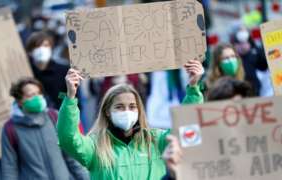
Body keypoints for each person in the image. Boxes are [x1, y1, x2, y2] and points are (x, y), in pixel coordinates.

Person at [57, 59, 204, 179]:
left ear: (139, 110)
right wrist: (70, 97)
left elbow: (186, 125)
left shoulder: (155, 140)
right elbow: (67, 139)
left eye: (132, 106)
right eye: (119, 107)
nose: (127, 111)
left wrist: (193, 87)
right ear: (107, 111)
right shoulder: (95, 146)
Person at [1, 77, 89, 180]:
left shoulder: (55, 117)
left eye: (38, 93)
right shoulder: (10, 129)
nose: (37, 97)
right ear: (19, 101)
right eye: (30, 95)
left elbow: (72, 157)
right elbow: (9, 168)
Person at [25, 31, 69, 109]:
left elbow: (70, 96)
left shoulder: (63, 71)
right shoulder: (26, 73)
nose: (42, 49)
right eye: (37, 46)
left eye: (45, 45)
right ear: (30, 52)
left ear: (51, 48)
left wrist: (59, 95)